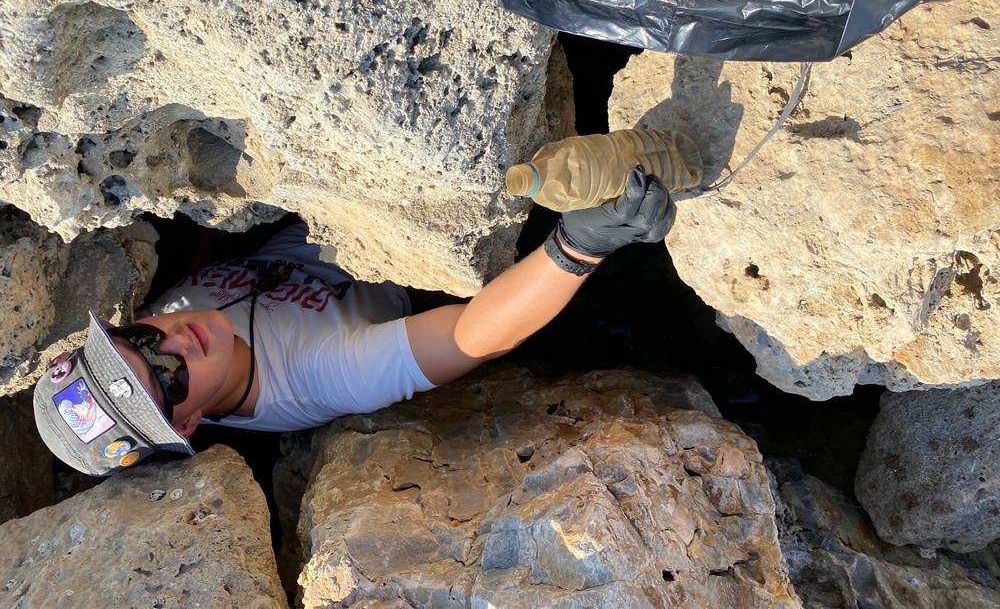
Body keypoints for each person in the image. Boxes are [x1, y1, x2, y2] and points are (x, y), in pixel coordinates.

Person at [34, 167, 675, 476]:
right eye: (169, 379)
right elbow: (471, 335)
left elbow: (194, 265)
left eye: (141, 341)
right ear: (190, 423)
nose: (175, 340)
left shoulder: (172, 321)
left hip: (328, 195)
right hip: (420, 245)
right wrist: (577, 246)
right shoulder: (317, 378)